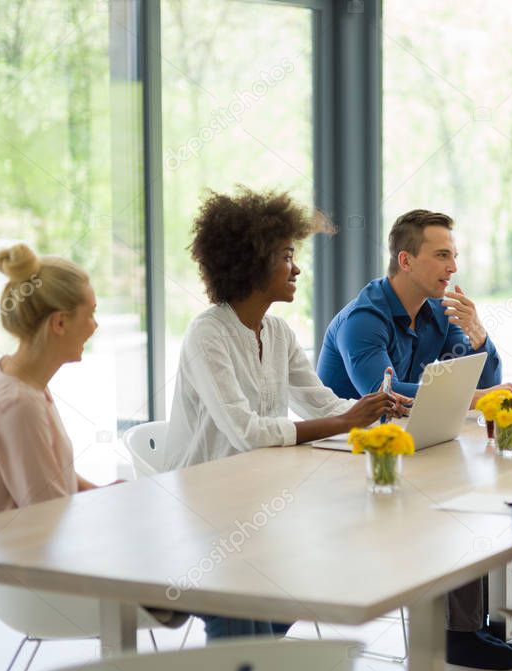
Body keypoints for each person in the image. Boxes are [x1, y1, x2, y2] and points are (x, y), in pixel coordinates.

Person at [164, 187, 399, 640]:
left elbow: (323, 403)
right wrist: (347, 422)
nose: (297, 268)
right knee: (261, 588)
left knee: (315, 562)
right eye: (287, 255)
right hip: (205, 513)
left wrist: (375, 409)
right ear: (251, 262)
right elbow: (245, 431)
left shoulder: (277, 332)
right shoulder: (207, 336)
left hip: (258, 501)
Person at [316, 208, 512, 671]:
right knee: (457, 488)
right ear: (406, 261)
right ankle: (459, 633)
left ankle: (469, 625)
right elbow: (382, 392)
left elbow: (480, 376)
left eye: (455, 256)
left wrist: (478, 334)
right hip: (346, 462)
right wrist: (478, 395)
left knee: (474, 478)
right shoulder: (363, 319)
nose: (453, 268)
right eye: (442, 256)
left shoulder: (435, 310)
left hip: (408, 445)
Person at [0, 244, 186, 626]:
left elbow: (49, 482)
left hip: (42, 553)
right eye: (90, 313)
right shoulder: (19, 406)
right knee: (203, 562)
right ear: (59, 323)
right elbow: (53, 522)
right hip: (41, 578)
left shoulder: (15, 378)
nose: (95, 326)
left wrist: (104, 494)